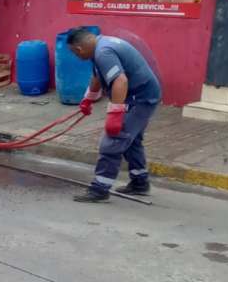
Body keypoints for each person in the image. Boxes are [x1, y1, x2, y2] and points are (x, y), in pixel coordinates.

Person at [66, 27, 162, 203]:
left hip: (139, 98)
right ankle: (140, 182)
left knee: (114, 139)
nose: (77, 57)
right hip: (143, 94)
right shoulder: (101, 46)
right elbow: (97, 77)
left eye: (75, 53)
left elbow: (120, 80)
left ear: (79, 49)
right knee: (131, 140)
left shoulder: (103, 52)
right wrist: (88, 99)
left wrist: (115, 113)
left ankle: (100, 189)